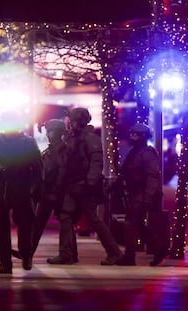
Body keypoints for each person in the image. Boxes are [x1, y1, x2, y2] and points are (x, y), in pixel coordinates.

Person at [47, 107, 123, 265]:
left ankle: (114, 252)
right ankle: (67, 254)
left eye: (72, 120)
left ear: (77, 121)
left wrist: (90, 183)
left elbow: (96, 162)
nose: (69, 123)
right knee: (65, 217)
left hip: (84, 186)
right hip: (73, 184)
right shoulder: (74, 137)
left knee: (93, 220)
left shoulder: (89, 138)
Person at [0, 118, 43, 274]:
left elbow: (38, 168)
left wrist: (37, 187)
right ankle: (6, 263)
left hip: (21, 188)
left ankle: (25, 255)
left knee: (24, 225)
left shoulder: (27, 142)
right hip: (2, 187)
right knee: (2, 228)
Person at [11, 119, 71, 260]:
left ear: (56, 132)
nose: (47, 133)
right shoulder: (51, 149)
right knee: (38, 222)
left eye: (49, 131)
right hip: (47, 190)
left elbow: (61, 172)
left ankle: (66, 254)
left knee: (62, 222)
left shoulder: (62, 150)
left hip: (54, 192)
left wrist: (55, 191)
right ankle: (28, 252)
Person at [115, 123, 162, 266]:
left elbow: (152, 176)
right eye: (132, 134)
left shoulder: (147, 153)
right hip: (134, 193)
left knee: (131, 223)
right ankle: (158, 249)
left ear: (142, 136)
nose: (132, 137)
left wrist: (148, 197)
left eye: (135, 134)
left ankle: (130, 256)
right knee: (137, 224)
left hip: (141, 195)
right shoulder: (134, 152)